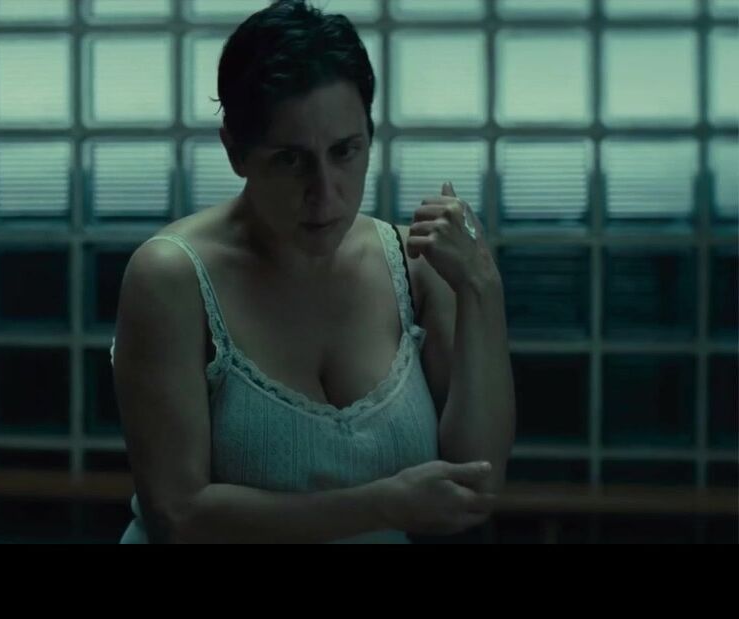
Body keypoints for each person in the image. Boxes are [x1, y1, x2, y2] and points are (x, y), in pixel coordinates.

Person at [110, 0, 516, 544]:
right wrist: (381, 505)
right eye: (290, 159)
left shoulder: (417, 265)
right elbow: (177, 514)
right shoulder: (171, 277)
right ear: (236, 151)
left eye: (345, 151)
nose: (325, 194)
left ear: (370, 136)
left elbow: (476, 483)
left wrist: (481, 286)